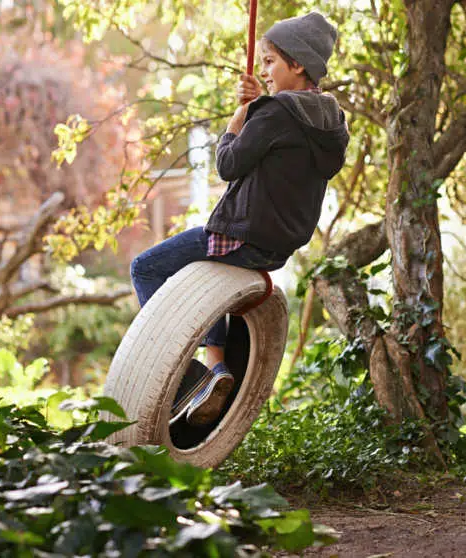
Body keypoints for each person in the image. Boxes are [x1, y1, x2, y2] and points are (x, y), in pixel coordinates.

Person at [129, 11, 350, 426]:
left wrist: (240, 115)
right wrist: (259, 106)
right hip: (278, 245)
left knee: (144, 268)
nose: (264, 71)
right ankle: (216, 368)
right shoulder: (331, 122)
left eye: (270, 62)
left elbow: (229, 163)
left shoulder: (278, 111)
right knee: (207, 283)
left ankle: (185, 375)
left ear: (297, 63)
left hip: (241, 235)